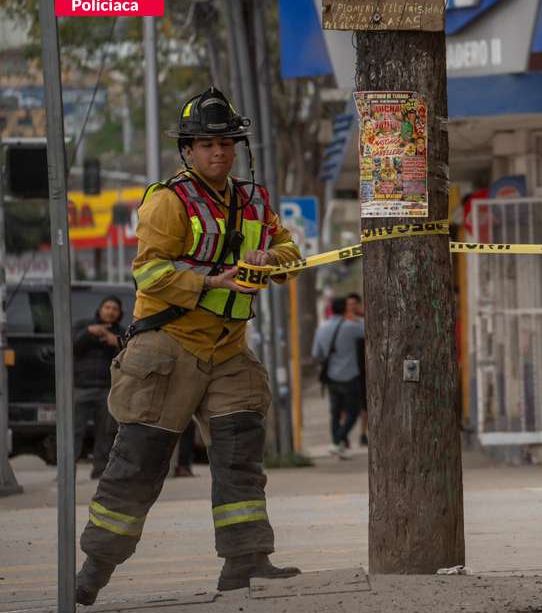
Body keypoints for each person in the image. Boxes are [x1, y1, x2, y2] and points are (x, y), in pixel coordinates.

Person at [75, 87, 303, 605]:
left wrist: (274, 257)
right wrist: (215, 282)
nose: (218, 153)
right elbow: (150, 274)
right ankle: (92, 573)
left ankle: (246, 562)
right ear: (187, 150)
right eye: (205, 144)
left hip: (229, 348)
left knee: (241, 455)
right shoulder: (167, 202)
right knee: (138, 463)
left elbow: (288, 249)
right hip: (168, 348)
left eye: (225, 143)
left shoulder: (254, 200)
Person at [72, 297, 124, 480]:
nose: (110, 311)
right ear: (100, 309)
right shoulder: (83, 326)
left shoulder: (122, 333)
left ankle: (100, 471)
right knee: (74, 432)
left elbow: (131, 355)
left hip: (107, 390)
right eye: (107, 307)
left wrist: (115, 342)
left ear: (120, 313)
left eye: (114, 309)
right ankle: (67, 471)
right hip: (81, 387)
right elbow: (73, 347)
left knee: (105, 433)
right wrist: (89, 332)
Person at [312, 294, 365, 459]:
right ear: (344, 309)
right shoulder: (352, 326)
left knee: (335, 412)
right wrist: (355, 317)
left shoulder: (322, 329)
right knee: (353, 411)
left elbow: (316, 353)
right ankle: (337, 441)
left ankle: (338, 444)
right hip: (350, 375)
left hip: (331, 378)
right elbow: (367, 328)